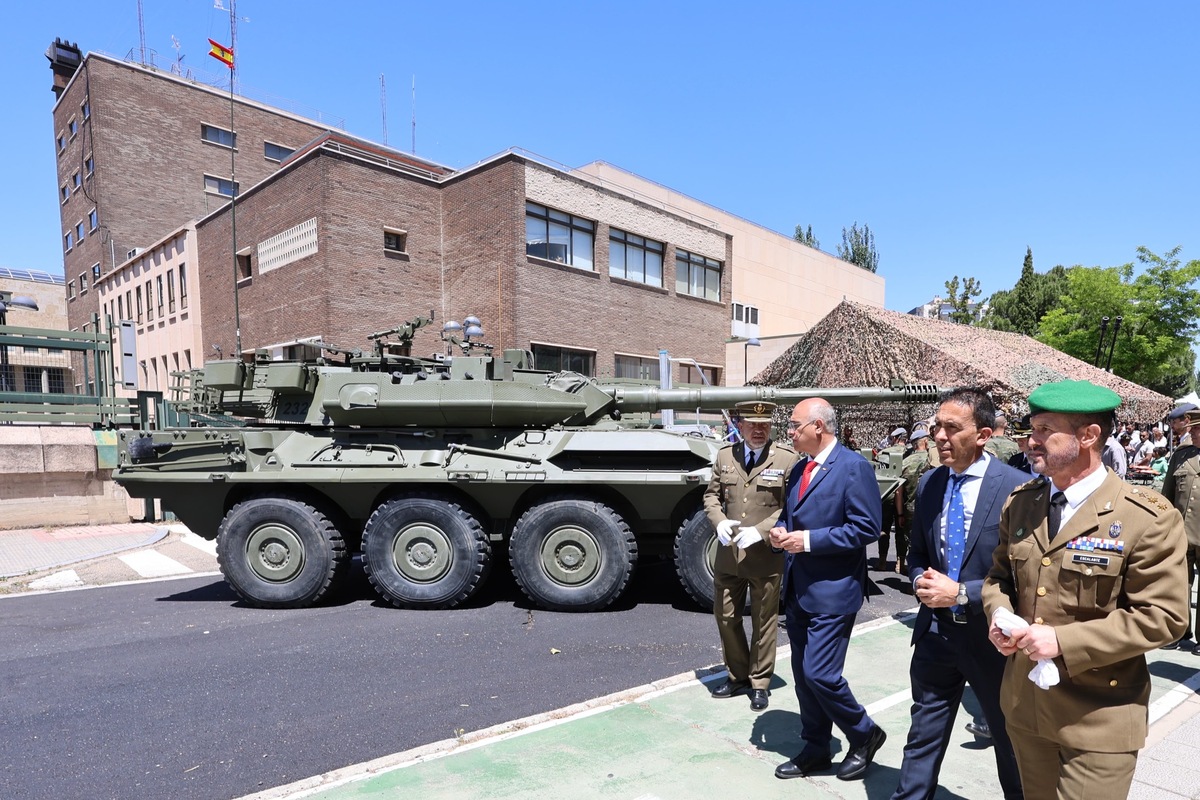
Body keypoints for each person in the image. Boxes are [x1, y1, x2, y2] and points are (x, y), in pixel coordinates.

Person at [983, 380, 1189, 799]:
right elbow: (998, 579)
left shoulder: (1147, 517)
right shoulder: (1022, 502)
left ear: (1088, 436)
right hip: (1026, 706)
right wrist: (999, 615)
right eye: (1031, 429)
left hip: (1099, 716)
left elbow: (1165, 618)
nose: (1030, 440)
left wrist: (1061, 640)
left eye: (1044, 430)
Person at [891, 388, 1025, 800]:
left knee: (1009, 740)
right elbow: (916, 555)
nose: (940, 436)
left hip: (992, 640)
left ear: (984, 435)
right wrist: (918, 582)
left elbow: (1025, 575)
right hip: (936, 634)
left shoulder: (1018, 490)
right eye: (937, 427)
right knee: (923, 732)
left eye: (953, 428)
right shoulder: (931, 483)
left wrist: (962, 592)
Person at [769, 398, 886, 782]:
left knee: (821, 674)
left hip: (834, 591)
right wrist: (781, 531)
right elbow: (793, 515)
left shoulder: (853, 467)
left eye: (795, 425)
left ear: (819, 426)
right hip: (800, 588)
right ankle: (816, 748)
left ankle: (864, 733)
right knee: (804, 676)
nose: (790, 431)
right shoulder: (801, 467)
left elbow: (866, 528)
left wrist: (808, 540)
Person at [703, 401, 797, 711]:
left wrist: (762, 530)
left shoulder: (786, 459)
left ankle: (759, 682)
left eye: (765, 425)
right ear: (740, 425)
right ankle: (737, 675)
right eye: (753, 425)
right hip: (729, 555)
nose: (759, 430)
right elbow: (711, 497)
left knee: (763, 621)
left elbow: (792, 507)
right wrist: (718, 522)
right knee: (726, 617)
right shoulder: (725, 456)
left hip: (765, 557)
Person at [1162, 407, 1200, 654]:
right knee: (1178, 582)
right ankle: (1179, 630)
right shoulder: (1182, 455)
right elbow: (1167, 494)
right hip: (1182, 533)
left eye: (1197, 429)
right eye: (1192, 429)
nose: (1193, 434)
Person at [894, 425, 933, 576]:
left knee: (911, 542)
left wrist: (899, 514)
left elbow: (899, 491)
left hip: (910, 509)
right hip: (930, 510)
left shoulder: (905, 463)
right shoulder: (934, 461)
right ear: (925, 442)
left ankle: (909, 572)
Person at [877, 429, 908, 570]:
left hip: (886, 496)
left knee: (884, 529)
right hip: (904, 496)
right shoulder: (909, 453)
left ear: (895, 438)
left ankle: (882, 561)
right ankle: (900, 562)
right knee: (901, 530)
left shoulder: (883, 453)